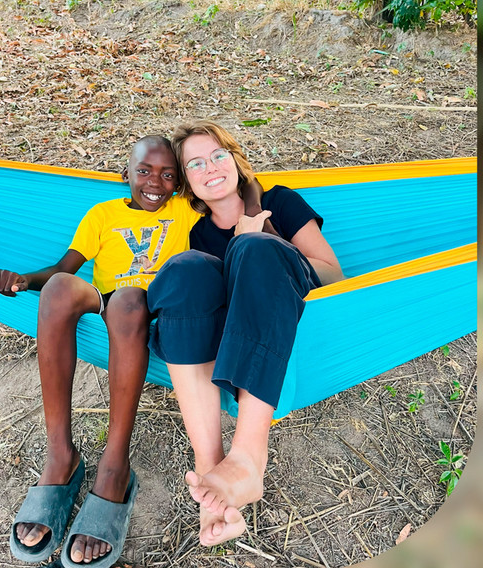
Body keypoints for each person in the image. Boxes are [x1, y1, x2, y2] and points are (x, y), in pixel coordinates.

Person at [0, 135, 265, 566]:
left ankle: (114, 467)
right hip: (105, 299)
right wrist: (22, 279)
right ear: (125, 174)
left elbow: (242, 186)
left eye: (169, 174)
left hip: (156, 308)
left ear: (180, 183)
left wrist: (250, 213)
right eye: (145, 171)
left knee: (131, 297)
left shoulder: (186, 208)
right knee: (60, 288)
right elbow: (64, 268)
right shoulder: (102, 214)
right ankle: (61, 455)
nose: (156, 182)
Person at [147, 121, 344, 547]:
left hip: (293, 308)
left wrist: (261, 236)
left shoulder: (278, 201)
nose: (210, 168)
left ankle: (250, 453)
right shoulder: (194, 233)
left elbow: (332, 275)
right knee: (185, 270)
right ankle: (213, 477)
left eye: (218, 155)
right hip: (234, 339)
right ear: (186, 184)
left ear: (235, 161)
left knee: (253, 249)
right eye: (195, 163)